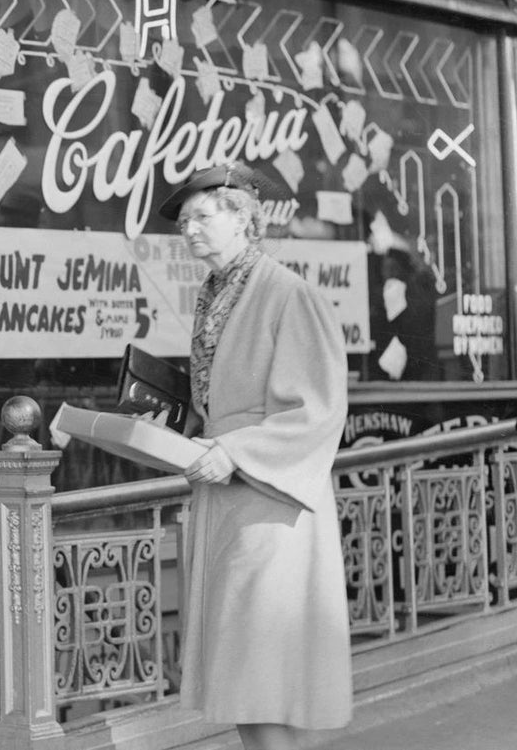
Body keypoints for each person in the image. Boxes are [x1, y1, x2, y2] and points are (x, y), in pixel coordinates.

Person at [160, 164, 351, 750]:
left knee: (263, 675)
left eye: (202, 216)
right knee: (250, 679)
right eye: (184, 221)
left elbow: (316, 409)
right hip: (233, 503)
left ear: (244, 220)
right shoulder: (216, 294)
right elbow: (221, 400)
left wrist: (235, 451)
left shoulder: (289, 294)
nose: (189, 230)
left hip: (271, 507)